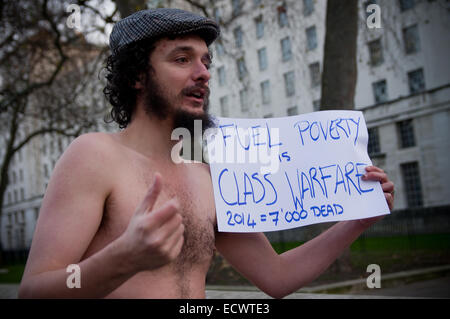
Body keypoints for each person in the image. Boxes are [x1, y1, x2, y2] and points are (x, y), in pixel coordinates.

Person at [18, 8, 395, 299]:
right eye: (182, 59)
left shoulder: (210, 172)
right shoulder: (93, 156)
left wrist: (358, 220)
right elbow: (34, 290)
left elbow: (276, 278)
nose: (203, 73)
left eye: (205, 62)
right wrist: (124, 257)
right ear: (137, 76)